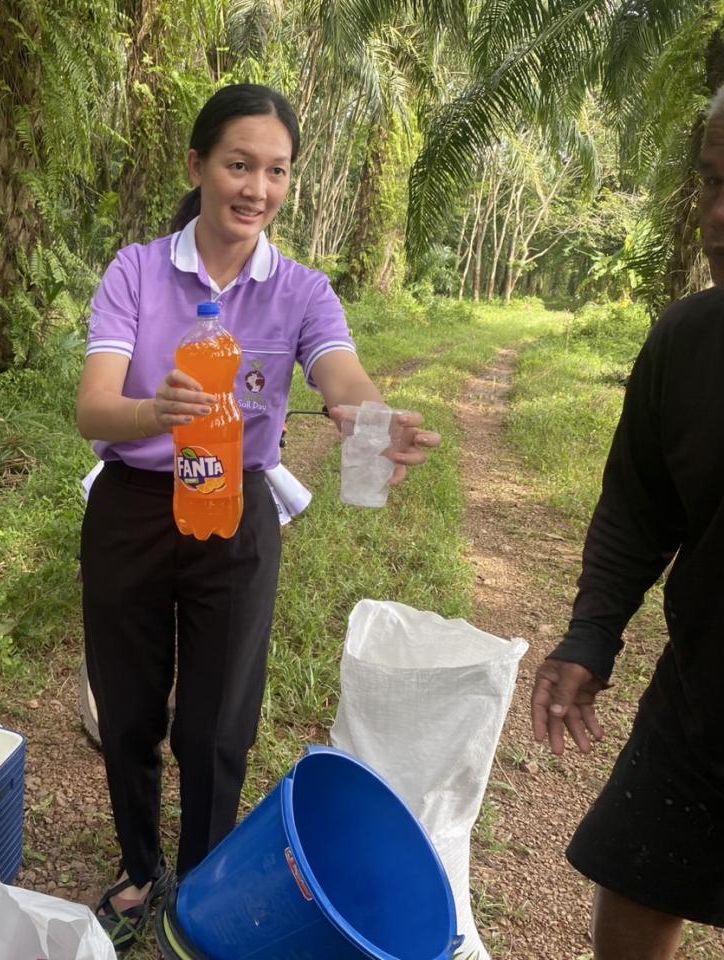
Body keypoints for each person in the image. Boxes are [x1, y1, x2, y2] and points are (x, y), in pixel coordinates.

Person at [75, 83, 441, 950]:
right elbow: (94, 408)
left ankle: (201, 885)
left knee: (217, 724)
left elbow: (341, 372)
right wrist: (155, 410)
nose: (257, 188)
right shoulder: (136, 271)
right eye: (239, 165)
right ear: (198, 166)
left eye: (276, 171)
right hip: (133, 507)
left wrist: (370, 417)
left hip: (235, 512)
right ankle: (139, 868)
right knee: (128, 708)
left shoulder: (302, 290)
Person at [530, 85, 724, 959]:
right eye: (712, 183)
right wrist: (590, 635)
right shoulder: (688, 341)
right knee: (639, 878)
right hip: (702, 697)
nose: (718, 216)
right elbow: (640, 508)